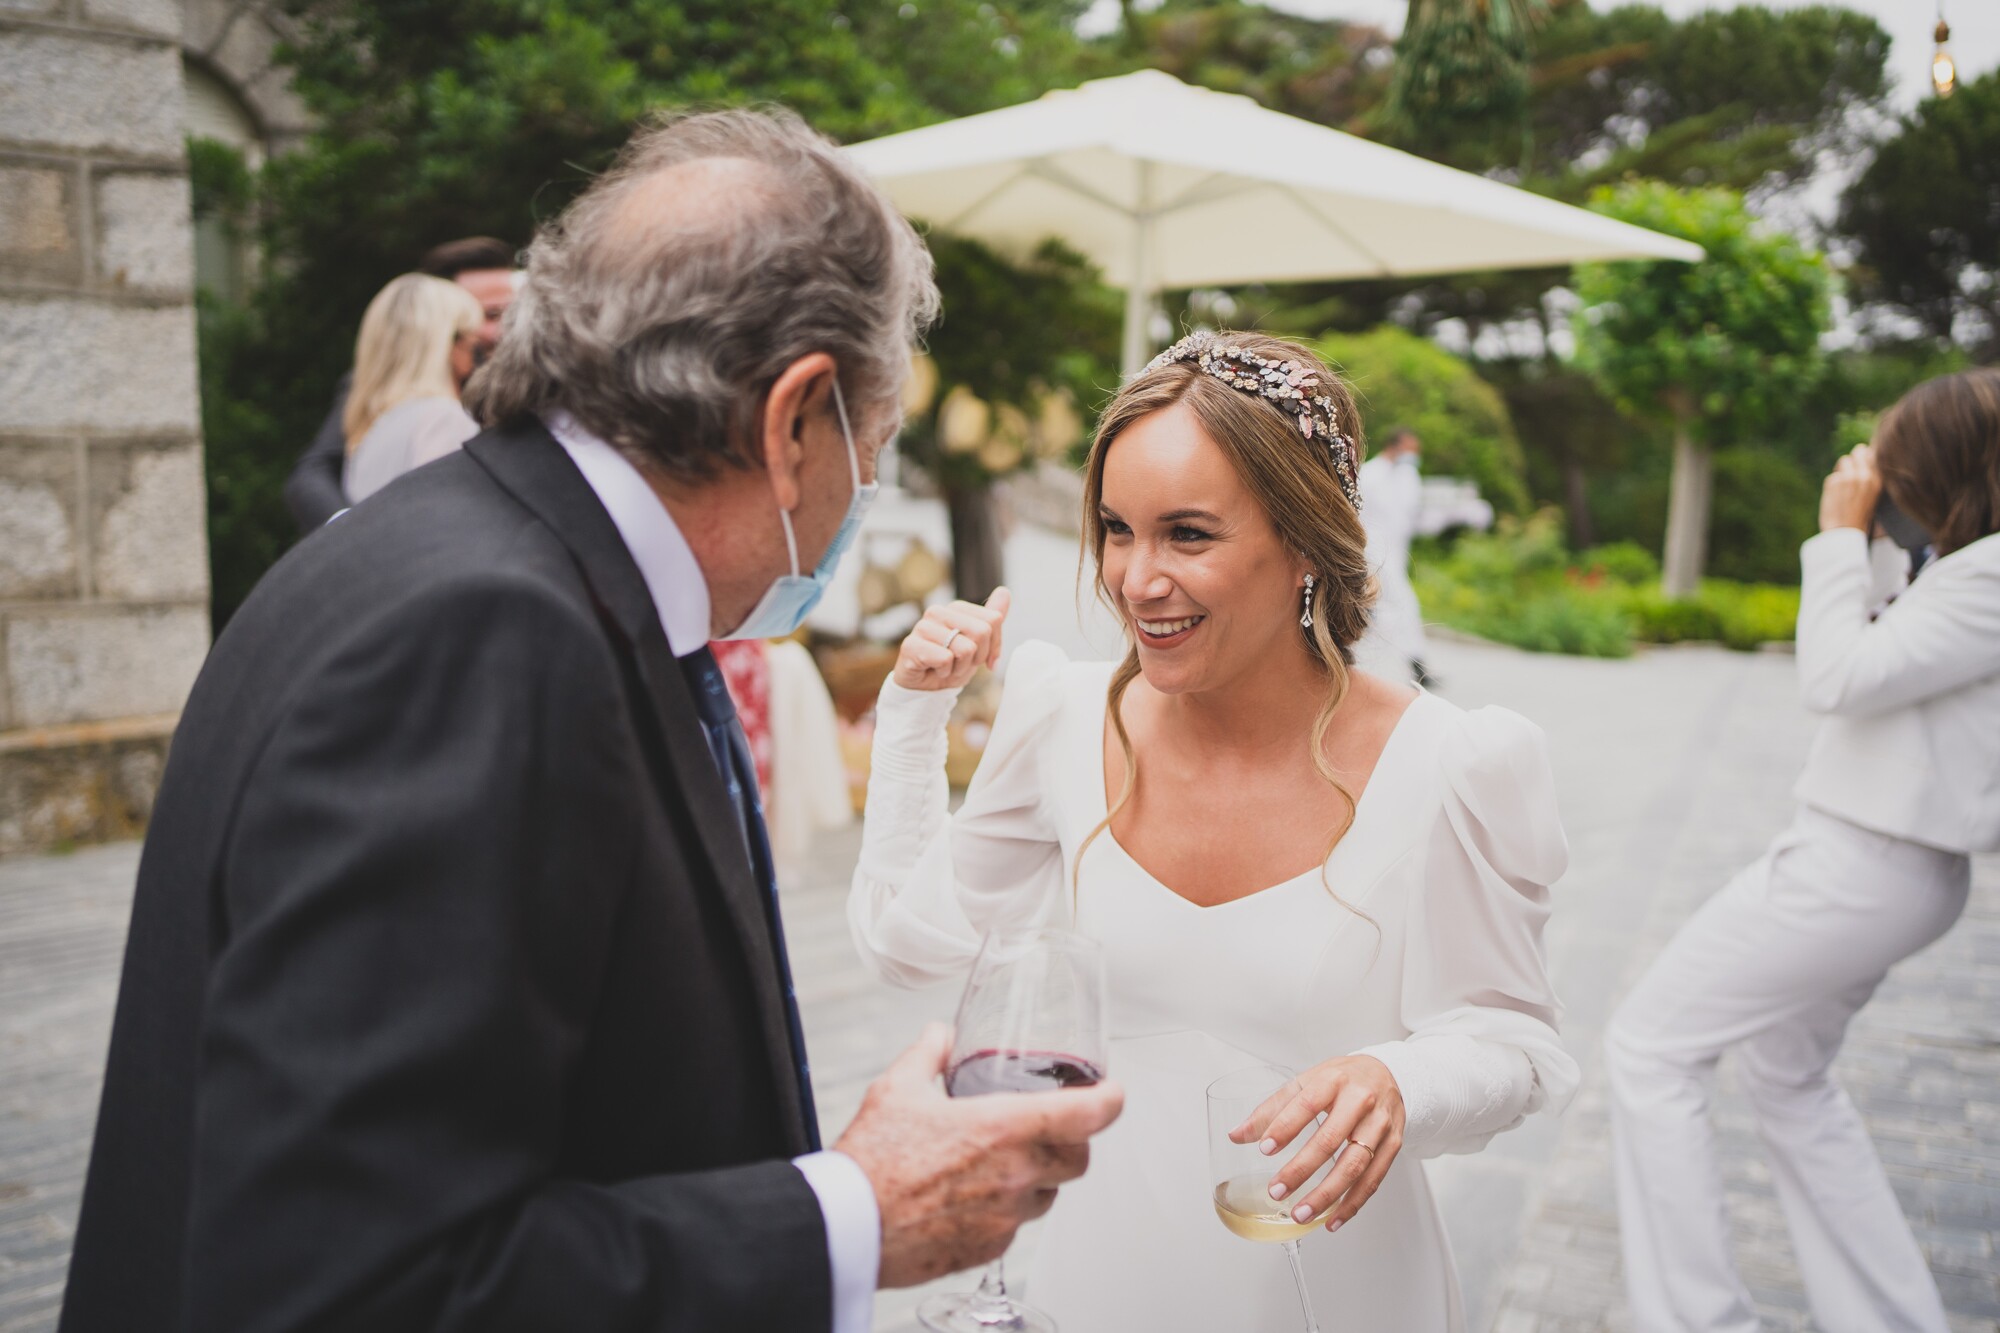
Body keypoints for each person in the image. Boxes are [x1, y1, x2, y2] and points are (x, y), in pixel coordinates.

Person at [57, 108, 1121, 1333]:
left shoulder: (477, 564)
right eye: (870, 445)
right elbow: (353, 1281)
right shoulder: (479, 640)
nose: (863, 492)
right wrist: (850, 1214)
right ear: (792, 421)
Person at [850, 331, 1577, 1332]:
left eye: (1186, 534)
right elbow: (905, 944)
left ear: (1302, 542)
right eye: (1115, 529)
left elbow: (1514, 1043)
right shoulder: (1063, 719)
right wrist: (909, 717)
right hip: (1098, 1277)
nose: (1134, 579)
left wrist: (1400, 1076)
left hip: (1333, 1287)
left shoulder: (1451, 763)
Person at [1605, 368, 2000, 1333]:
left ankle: (1697, 1319)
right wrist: (1865, 544)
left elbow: (1833, 675)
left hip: (1862, 863)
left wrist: (1833, 532)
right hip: (1873, 860)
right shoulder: (1964, 569)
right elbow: (1878, 646)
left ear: (1940, 465)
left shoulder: (1991, 575)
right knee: (1788, 1076)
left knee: (1648, 1047)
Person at [282, 236, 518, 530]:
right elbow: (313, 471)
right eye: (489, 314)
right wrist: (352, 536)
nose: (501, 331)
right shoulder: (419, 409)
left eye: (512, 312)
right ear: (441, 318)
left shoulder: (526, 380)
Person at [340, 273, 483, 504]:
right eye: (471, 339)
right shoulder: (443, 419)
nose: (477, 351)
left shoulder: (369, 430)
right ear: (447, 343)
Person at [1354, 424, 1433, 687]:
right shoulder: (1370, 475)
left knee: (1397, 606)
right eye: (1410, 449)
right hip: (1374, 551)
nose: (1413, 455)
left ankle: (1413, 663)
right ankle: (1406, 665)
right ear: (1395, 446)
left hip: (1397, 552)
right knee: (1393, 606)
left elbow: (1410, 517)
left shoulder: (1404, 476)